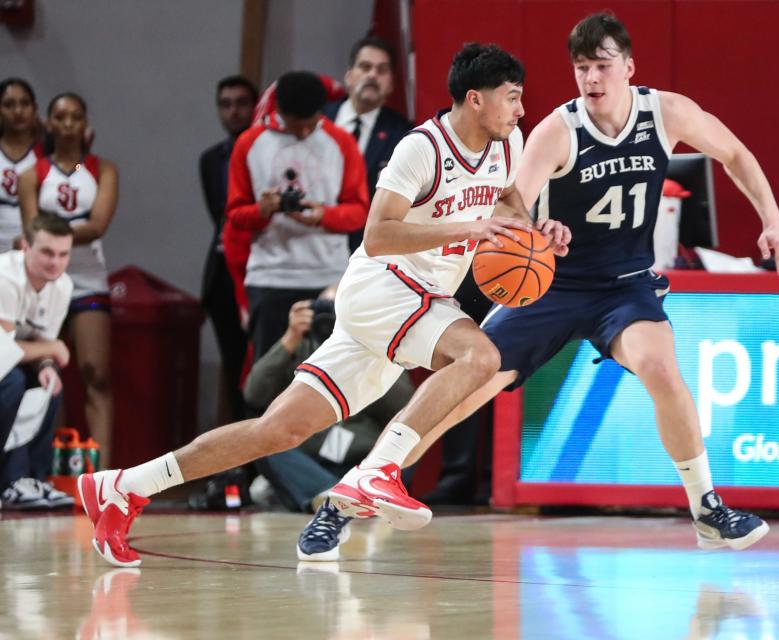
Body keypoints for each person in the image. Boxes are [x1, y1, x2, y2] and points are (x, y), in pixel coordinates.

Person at [331, 12, 779, 554]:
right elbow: (511, 206)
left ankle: (707, 508)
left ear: (629, 67)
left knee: (661, 367)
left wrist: (773, 220)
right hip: (552, 284)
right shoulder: (558, 130)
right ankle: (351, 492)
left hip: (624, 284)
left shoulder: (667, 112)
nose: (591, 78)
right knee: (466, 392)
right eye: (582, 67)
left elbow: (735, 154)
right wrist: (538, 228)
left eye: (602, 65)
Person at [77, 44, 565, 568]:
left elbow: (508, 197)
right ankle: (378, 471)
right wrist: (470, 227)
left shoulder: (507, 143)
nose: (520, 110)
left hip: (413, 302)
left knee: (277, 430)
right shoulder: (421, 148)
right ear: (475, 99)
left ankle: (124, 486)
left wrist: (533, 231)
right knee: (481, 357)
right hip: (385, 283)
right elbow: (377, 235)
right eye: (512, 98)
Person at [226, 71, 368, 359]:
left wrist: (323, 215)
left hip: (328, 277)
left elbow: (360, 213)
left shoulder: (341, 143)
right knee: (268, 378)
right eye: (296, 126)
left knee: (330, 376)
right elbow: (235, 215)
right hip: (270, 278)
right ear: (279, 112)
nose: (305, 133)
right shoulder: (249, 144)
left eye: (311, 124)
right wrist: (263, 210)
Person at [18, 92, 119, 467]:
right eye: (59, 117)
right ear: (48, 122)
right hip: (44, 281)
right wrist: (55, 234)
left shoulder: (98, 169)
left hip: (89, 278)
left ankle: (105, 473)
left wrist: (50, 235)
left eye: (75, 116)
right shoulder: (34, 173)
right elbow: (32, 227)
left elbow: (97, 225)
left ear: (85, 123)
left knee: (96, 373)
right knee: (49, 375)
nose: (67, 124)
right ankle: (47, 468)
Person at [243, 296, 414, 513]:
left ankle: (343, 495)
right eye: (325, 309)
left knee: (406, 436)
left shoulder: (374, 347)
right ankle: (330, 495)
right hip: (307, 460)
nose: (332, 318)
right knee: (264, 437)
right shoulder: (299, 346)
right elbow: (253, 395)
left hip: (359, 459)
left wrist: (373, 350)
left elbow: (405, 406)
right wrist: (290, 338)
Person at [0, 214, 74, 509]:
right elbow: (4, 350)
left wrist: (46, 364)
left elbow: (39, 348)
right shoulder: (6, 276)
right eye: (46, 252)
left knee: (49, 384)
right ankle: (9, 480)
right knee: (14, 382)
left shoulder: (63, 286)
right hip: (4, 362)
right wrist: (54, 348)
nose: (55, 262)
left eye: (63, 254)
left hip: (12, 360)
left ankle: (30, 478)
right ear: (24, 247)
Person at [199, 76, 258, 423]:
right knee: (234, 364)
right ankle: (242, 466)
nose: (233, 111)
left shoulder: (264, 151)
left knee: (263, 366)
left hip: (260, 271)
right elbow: (219, 215)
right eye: (225, 104)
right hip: (222, 271)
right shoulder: (210, 160)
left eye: (240, 103)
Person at [325, 36, 413, 251]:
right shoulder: (318, 120)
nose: (373, 75)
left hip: (366, 249)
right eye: (365, 67)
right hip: (311, 245)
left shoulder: (404, 134)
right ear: (349, 76)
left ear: (391, 83)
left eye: (382, 70)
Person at [0, 78, 41, 252]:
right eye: (9, 105)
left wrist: (79, 159)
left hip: (34, 249)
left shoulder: (48, 151)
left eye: (25, 103)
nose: (18, 111)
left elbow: (77, 169)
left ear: (35, 109)